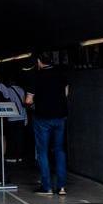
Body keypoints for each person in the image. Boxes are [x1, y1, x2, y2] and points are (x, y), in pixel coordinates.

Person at [24, 52, 68, 195]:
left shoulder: (36, 76)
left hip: (42, 117)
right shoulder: (61, 74)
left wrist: (31, 105)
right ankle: (61, 187)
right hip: (60, 116)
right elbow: (66, 92)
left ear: (39, 61)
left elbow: (29, 100)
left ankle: (46, 187)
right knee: (59, 150)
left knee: (43, 152)